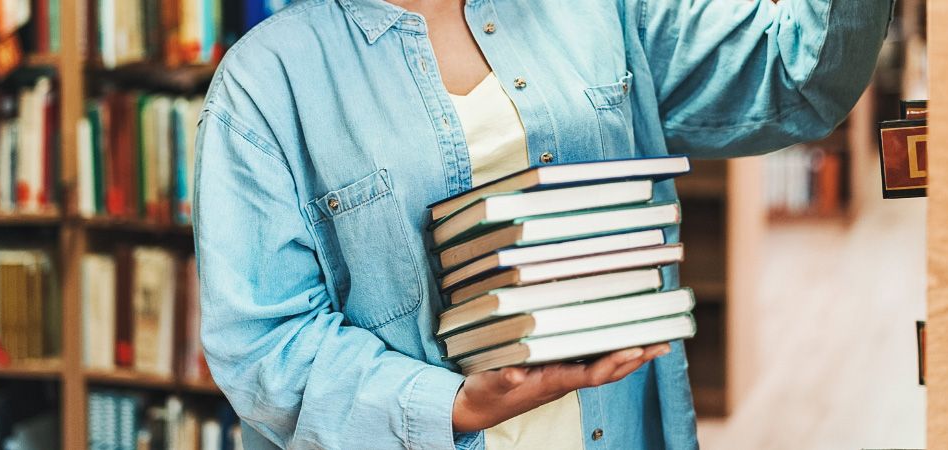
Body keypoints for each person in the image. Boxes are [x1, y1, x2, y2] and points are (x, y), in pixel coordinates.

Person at [192, 1, 894, 448]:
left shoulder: (603, 12)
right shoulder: (268, 79)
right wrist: (455, 407)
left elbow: (798, 78)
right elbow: (264, 347)